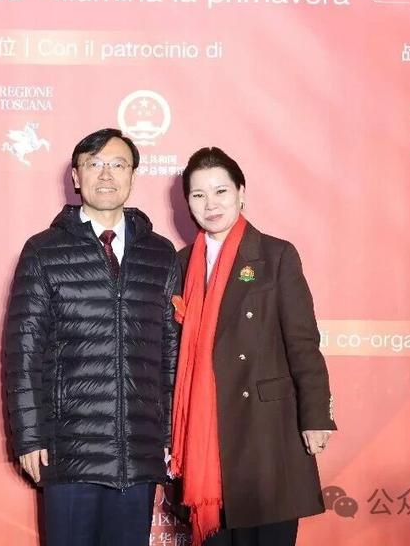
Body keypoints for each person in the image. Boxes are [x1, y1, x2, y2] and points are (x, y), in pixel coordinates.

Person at [3, 127, 181, 546]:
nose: (106, 174)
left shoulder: (160, 254)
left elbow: (171, 354)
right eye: (94, 164)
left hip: (137, 452)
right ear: (76, 177)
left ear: (132, 176)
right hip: (69, 451)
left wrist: (171, 434)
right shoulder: (44, 250)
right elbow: (23, 350)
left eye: (118, 164)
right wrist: (30, 437)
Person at [169, 147, 336, 546]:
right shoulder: (180, 263)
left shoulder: (275, 255)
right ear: (188, 202)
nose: (211, 204)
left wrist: (315, 415)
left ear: (241, 193)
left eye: (221, 191)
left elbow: (303, 342)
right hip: (204, 433)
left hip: (266, 429)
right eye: (198, 195)